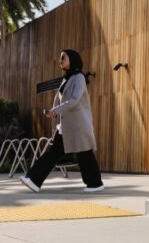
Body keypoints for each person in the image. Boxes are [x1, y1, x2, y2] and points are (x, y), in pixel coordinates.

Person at [20, 49, 104, 193]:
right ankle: (34, 179)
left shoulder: (79, 77)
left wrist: (56, 110)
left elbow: (74, 100)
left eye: (63, 57)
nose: (60, 60)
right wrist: (55, 112)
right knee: (64, 153)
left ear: (72, 59)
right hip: (67, 125)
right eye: (60, 58)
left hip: (78, 124)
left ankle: (95, 183)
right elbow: (63, 101)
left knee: (83, 154)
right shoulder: (67, 78)